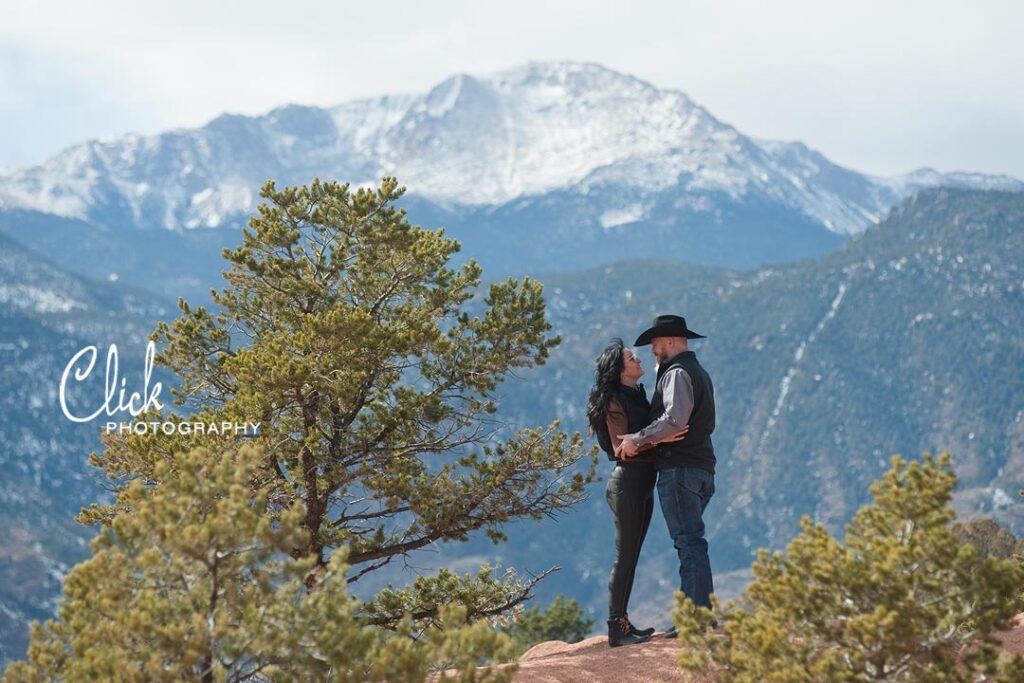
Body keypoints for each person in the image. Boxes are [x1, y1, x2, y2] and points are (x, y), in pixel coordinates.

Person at [587, 338, 688, 647]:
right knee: (625, 556)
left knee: (632, 556)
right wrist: (661, 439)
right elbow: (622, 447)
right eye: (632, 358)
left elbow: (641, 436)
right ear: (620, 370)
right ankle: (616, 628)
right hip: (628, 483)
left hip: (641, 483)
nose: (639, 360)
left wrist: (658, 436)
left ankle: (623, 623)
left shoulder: (635, 394)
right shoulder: (615, 400)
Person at [619, 315, 716, 637]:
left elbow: (675, 420)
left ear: (672, 341)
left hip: (679, 469)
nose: (653, 351)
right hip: (701, 468)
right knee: (693, 542)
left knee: (688, 543)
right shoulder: (698, 371)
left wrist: (638, 438)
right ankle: (700, 613)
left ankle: (696, 619)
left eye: (656, 344)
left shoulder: (676, 374)